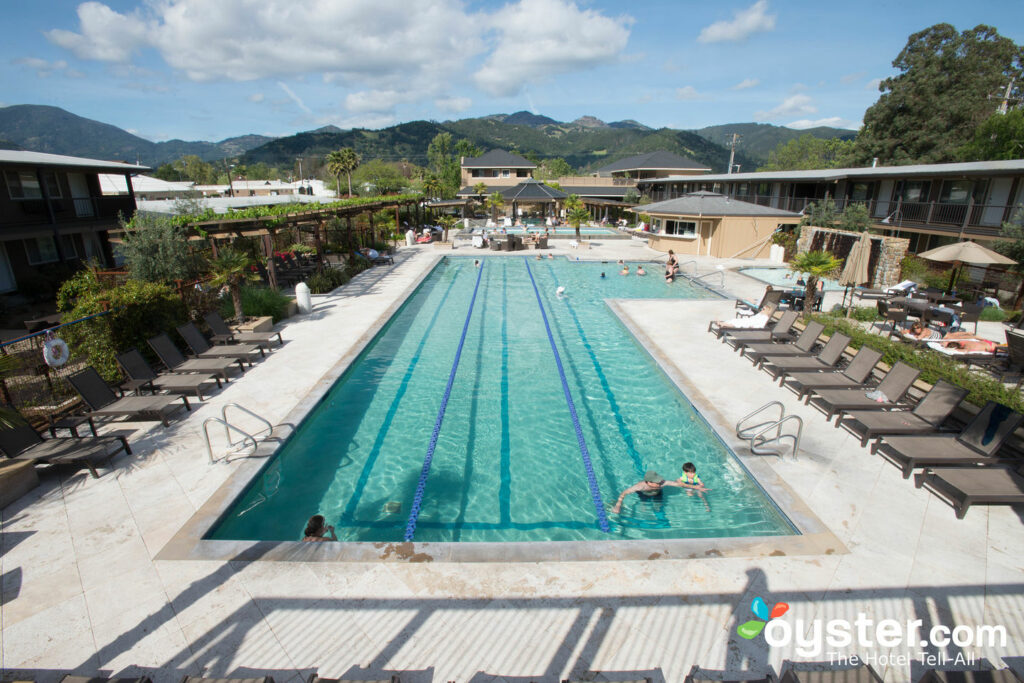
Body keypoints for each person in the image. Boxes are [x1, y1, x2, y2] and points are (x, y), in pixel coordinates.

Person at [610, 469, 686, 514]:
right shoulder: (640, 486)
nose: (660, 483)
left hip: (657, 493)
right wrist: (618, 505)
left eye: (659, 481)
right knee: (644, 502)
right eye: (657, 482)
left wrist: (694, 486)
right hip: (644, 493)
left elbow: (677, 484)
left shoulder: (661, 483)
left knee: (658, 507)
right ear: (649, 482)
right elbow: (624, 493)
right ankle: (643, 504)